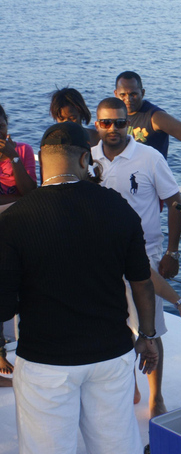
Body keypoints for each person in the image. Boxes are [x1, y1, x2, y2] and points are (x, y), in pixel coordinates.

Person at [0, 121, 158, 454]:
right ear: (86, 160)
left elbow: (4, 303)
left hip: (46, 362)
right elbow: (142, 282)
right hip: (111, 356)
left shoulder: (15, 218)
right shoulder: (118, 208)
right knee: (117, 446)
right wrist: (147, 335)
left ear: (42, 160)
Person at [92, 97, 181, 418]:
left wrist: (173, 252)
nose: (113, 129)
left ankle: (155, 395)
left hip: (145, 254)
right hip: (101, 258)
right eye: (106, 123)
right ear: (97, 124)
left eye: (120, 122)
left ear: (128, 124)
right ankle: (128, 384)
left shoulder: (149, 158)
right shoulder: (88, 158)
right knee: (114, 325)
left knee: (151, 329)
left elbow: (175, 202)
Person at [114, 71, 181, 201]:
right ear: (115, 94)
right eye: (122, 95)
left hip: (148, 191)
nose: (128, 99)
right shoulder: (116, 116)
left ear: (143, 92)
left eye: (133, 94)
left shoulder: (155, 117)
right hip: (123, 188)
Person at [0, 104, 36, 214]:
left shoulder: (24, 150)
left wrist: (14, 157)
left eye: (1, 126)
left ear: (7, 124)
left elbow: (30, 192)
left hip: (18, 215)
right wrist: (21, 200)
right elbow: (29, 199)